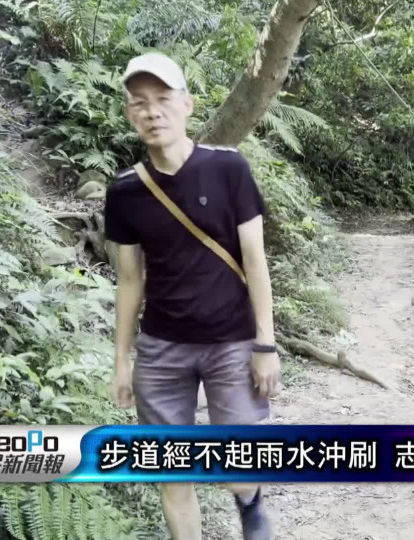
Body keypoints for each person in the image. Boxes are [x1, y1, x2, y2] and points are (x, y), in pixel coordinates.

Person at [103, 52, 280, 540]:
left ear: (187, 104)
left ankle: (249, 501)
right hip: (161, 349)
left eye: (163, 99)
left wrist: (265, 344)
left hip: (231, 341)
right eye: (140, 102)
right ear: (129, 114)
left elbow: (255, 261)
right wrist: (121, 361)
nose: (152, 111)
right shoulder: (124, 192)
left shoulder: (228, 168)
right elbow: (130, 280)